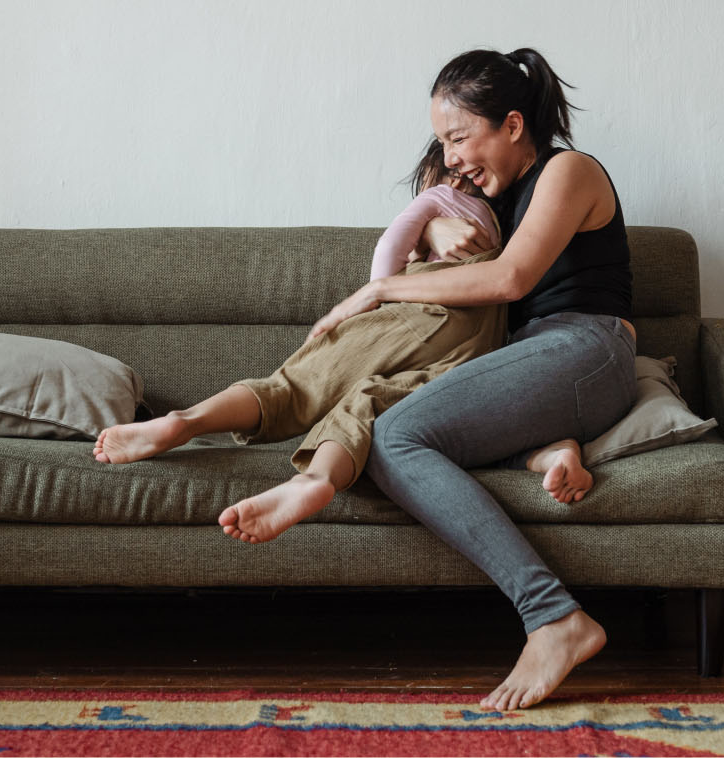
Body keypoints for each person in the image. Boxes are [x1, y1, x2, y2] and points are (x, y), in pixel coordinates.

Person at [306, 48, 639, 713]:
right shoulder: (487, 195)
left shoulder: (567, 171)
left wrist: (377, 292)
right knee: (395, 423)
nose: (451, 155)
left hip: (585, 346)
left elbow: (510, 279)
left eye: (459, 137)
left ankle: (554, 618)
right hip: (524, 360)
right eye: (442, 142)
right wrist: (432, 223)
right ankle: (545, 446)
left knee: (396, 436)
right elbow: (437, 226)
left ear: (512, 125)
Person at [89, 139, 598, 546]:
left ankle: (186, 422)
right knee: (373, 403)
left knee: (293, 388)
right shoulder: (509, 217)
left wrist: (381, 291)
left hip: (424, 313)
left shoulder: (438, 198)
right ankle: (316, 481)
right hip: (479, 344)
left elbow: (390, 246)